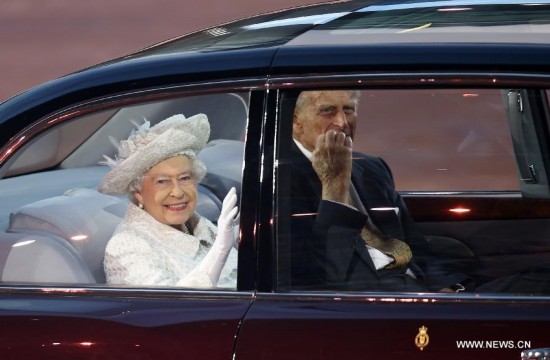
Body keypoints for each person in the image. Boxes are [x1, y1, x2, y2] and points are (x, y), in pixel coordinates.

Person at [288, 90, 471, 292]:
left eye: (349, 109)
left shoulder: (372, 168)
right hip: (361, 303)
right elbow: (320, 275)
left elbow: (417, 246)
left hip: (417, 291)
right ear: (297, 121)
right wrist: (334, 186)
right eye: (328, 111)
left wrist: (447, 287)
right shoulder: (279, 181)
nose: (342, 122)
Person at [98, 113, 239, 288]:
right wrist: (218, 253)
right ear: (138, 192)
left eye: (185, 178)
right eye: (162, 182)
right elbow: (168, 311)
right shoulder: (128, 246)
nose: (178, 193)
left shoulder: (198, 226)